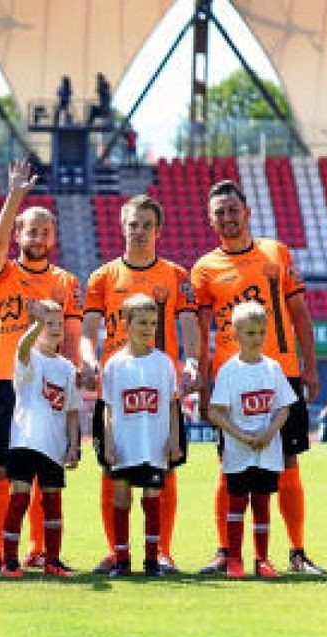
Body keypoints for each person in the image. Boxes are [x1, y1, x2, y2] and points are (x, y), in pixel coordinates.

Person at [191, 179, 324, 576]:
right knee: (228, 465)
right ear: (210, 219)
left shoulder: (276, 253)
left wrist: (311, 366)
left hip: (280, 372)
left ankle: (297, 552)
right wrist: (202, 381)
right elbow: (199, 332)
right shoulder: (203, 269)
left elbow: (300, 314)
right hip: (231, 380)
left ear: (247, 212)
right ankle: (225, 552)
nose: (228, 218)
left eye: (234, 210)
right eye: (220, 212)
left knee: (287, 464)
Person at [80, 194, 199, 575]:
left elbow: (190, 327)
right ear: (122, 226)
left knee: (164, 469)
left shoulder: (177, 276)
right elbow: (88, 331)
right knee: (111, 469)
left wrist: (193, 361)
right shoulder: (103, 277)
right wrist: (86, 357)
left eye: (147, 224)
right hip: (116, 387)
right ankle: (118, 551)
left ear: (158, 229)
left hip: (159, 387)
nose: (140, 231)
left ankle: (160, 551)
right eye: (134, 223)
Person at [0, 159, 83, 574]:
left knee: (46, 468)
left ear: (53, 237)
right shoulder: (2, 274)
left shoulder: (65, 282)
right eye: (30, 229)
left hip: (46, 386)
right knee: (1, 468)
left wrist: (75, 372)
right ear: (19, 234)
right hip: (6, 380)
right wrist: (16, 195)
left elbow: (72, 334)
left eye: (44, 230)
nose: (36, 236)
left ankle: (40, 550)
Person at [205, 302, 298, 579]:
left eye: (261, 332)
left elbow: (284, 407)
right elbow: (215, 412)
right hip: (238, 452)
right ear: (236, 334)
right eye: (250, 333)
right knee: (236, 505)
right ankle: (234, 559)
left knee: (262, 504)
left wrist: (269, 433)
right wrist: (242, 435)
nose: (257, 339)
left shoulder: (273, 368)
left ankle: (262, 559)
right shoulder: (228, 371)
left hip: (267, 451)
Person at [99, 294, 182, 578]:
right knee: (121, 500)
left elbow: (172, 404)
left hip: (154, 443)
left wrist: (174, 439)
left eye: (153, 323)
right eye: (142, 322)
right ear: (126, 323)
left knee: (152, 501)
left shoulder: (164, 363)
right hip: (125, 442)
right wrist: (108, 441)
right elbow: (108, 407)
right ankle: (122, 561)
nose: (148, 328)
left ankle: (151, 562)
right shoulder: (114, 365)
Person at [0, 300, 80, 578]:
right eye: (49, 323)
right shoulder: (29, 357)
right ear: (36, 327)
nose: (56, 328)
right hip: (25, 441)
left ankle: (53, 560)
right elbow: (22, 346)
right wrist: (35, 323)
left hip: (54, 446)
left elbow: (71, 411)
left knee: (53, 503)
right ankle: (9, 561)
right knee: (19, 499)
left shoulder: (68, 368)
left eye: (59, 323)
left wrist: (73, 445)